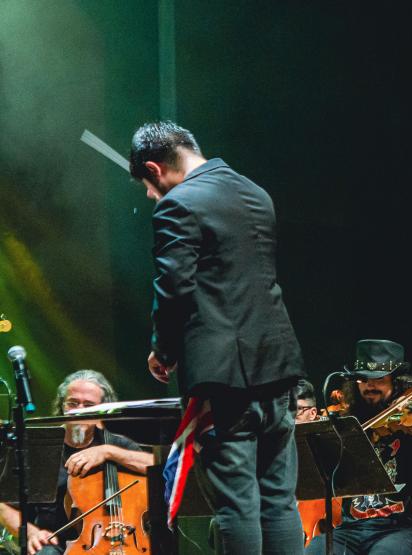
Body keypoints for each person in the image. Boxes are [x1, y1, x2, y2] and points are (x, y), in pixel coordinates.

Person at [130, 121, 306, 555]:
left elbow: (173, 287)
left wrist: (162, 348)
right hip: (279, 369)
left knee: (237, 508)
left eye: (148, 187)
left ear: (155, 168)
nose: (153, 197)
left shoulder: (178, 204)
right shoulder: (254, 192)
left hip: (227, 382)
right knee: (280, 503)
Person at [303, 339, 412, 554]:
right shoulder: (349, 421)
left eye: (378, 379)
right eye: (362, 379)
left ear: (396, 380)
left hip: (407, 529)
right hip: (354, 527)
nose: (369, 385)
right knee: (315, 550)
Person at [0, 370, 153, 555]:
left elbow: (156, 465)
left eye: (88, 405)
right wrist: (32, 533)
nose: (80, 410)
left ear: (102, 410)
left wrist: (108, 452)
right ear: (62, 405)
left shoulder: (115, 445)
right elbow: (3, 503)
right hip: (54, 542)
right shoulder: (40, 446)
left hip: (119, 540)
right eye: (73, 403)